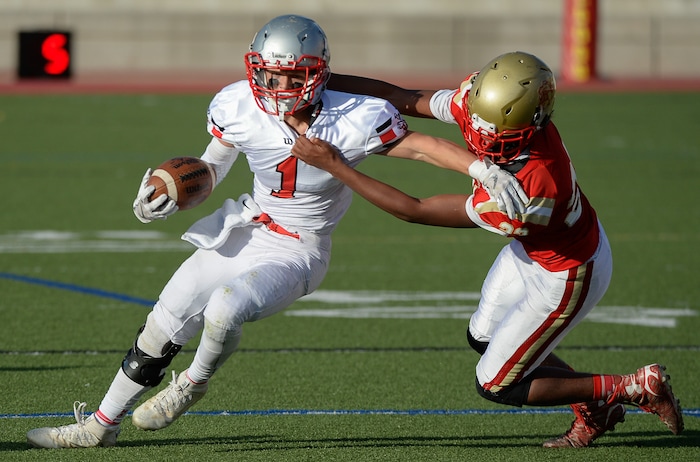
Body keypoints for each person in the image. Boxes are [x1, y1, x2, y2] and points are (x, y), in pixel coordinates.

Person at [25, 15, 527, 449]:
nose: (276, 87)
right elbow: (212, 168)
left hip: (300, 249)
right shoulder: (236, 104)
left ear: (316, 75)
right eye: (266, 74)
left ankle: (191, 386)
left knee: (225, 307)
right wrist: (168, 193)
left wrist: (481, 170)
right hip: (245, 227)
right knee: (166, 317)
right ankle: (100, 425)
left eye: (290, 77)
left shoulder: (354, 116)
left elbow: (420, 148)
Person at [291, 51, 684, 448]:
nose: (483, 138)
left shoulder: (533, 189)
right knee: (483, 336)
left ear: (531, 123)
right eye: (478, 123)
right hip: (534, 249)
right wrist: (317, 82)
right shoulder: (486, 108)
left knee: (496, 383)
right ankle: (596, 406)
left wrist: (336, 166)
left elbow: (417, 210)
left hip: (567, 272)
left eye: (499, 133)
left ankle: (632, 387)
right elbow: (399, 95)